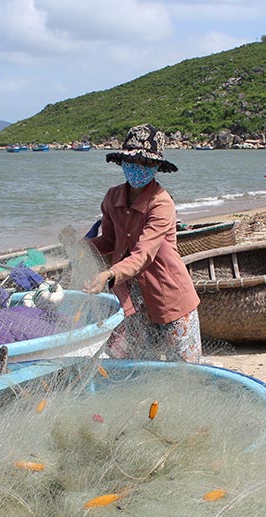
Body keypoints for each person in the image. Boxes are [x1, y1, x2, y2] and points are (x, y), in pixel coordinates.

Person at [82, 124, 202, 362]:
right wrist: (81, 248)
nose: (138, 168)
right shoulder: (112, 197)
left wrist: (108, 274)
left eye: (146, 163)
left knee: (183, 370)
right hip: (131, 300)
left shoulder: (161, 203)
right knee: (138, 366)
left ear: (156, 167)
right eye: (133, 161)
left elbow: (144, 254)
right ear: (123, 162)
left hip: (169, 296)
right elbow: (109, 240)